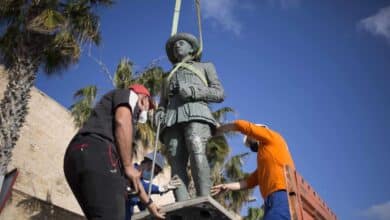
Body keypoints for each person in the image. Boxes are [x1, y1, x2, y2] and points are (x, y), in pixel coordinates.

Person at [63, 84, 165, 220]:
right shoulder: (128, 95)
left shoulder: (118, 143)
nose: (147, 110)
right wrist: (128, 166)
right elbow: (122, 121)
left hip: (75, 156)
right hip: (97, 152)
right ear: (144, 99)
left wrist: (149, 204)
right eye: (149, 106)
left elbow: (132, 177)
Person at [155, 32, 224, 201]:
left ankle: (203, 197)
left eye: (181, 43)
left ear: (192, 48)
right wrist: (158, 114)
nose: (177, 46)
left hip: (196, 113)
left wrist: (193, 91)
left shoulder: (205, 66)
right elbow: (162, 103)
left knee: (196, 149)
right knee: (175, 159)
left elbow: (219, 93)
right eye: (174, 45)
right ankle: (182, 201)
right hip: (171, 119)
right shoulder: (167, 77)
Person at [211, 120, 295, 220]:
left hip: (281, 193)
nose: (251, 145)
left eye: (250, 140)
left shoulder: (272, 137)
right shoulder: (264, 161)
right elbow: (247, 183)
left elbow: (241, 125)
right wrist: (226, 186)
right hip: (270, 199)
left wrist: (219, 130)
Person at [125, 152, 181, 220]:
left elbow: (144, 202)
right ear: (149, 165)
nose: (154, 175)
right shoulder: (129, 172)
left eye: (156, 174)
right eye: (155, 172)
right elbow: (141, 185)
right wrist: (160, 189)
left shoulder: (142, 190)